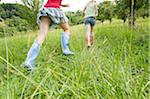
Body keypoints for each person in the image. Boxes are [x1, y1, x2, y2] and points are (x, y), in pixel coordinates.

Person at [21, 0, 74, 71]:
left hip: (46, 10)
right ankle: (66, 50)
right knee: (66, 29)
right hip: (56, 10)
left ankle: (28, 62)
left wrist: (63, 5)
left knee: (42, 35)